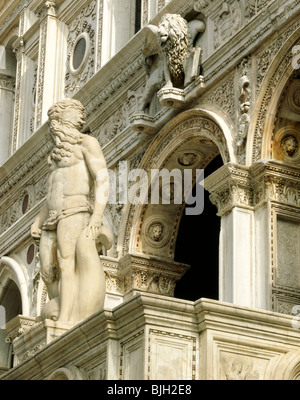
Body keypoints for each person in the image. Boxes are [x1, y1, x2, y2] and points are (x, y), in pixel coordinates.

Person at [31, 98, 112, 322]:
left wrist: (96, 216)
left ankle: (66, 318)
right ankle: (64, 306)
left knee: (67, 262)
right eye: (75, 111)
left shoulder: (87, 143)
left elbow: (102, 178)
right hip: (52, 218)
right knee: (48, 271)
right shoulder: (57, 153)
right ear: (60, 118)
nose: (81, 115)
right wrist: (38, 220)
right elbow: (52, 190)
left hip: (74, 211)